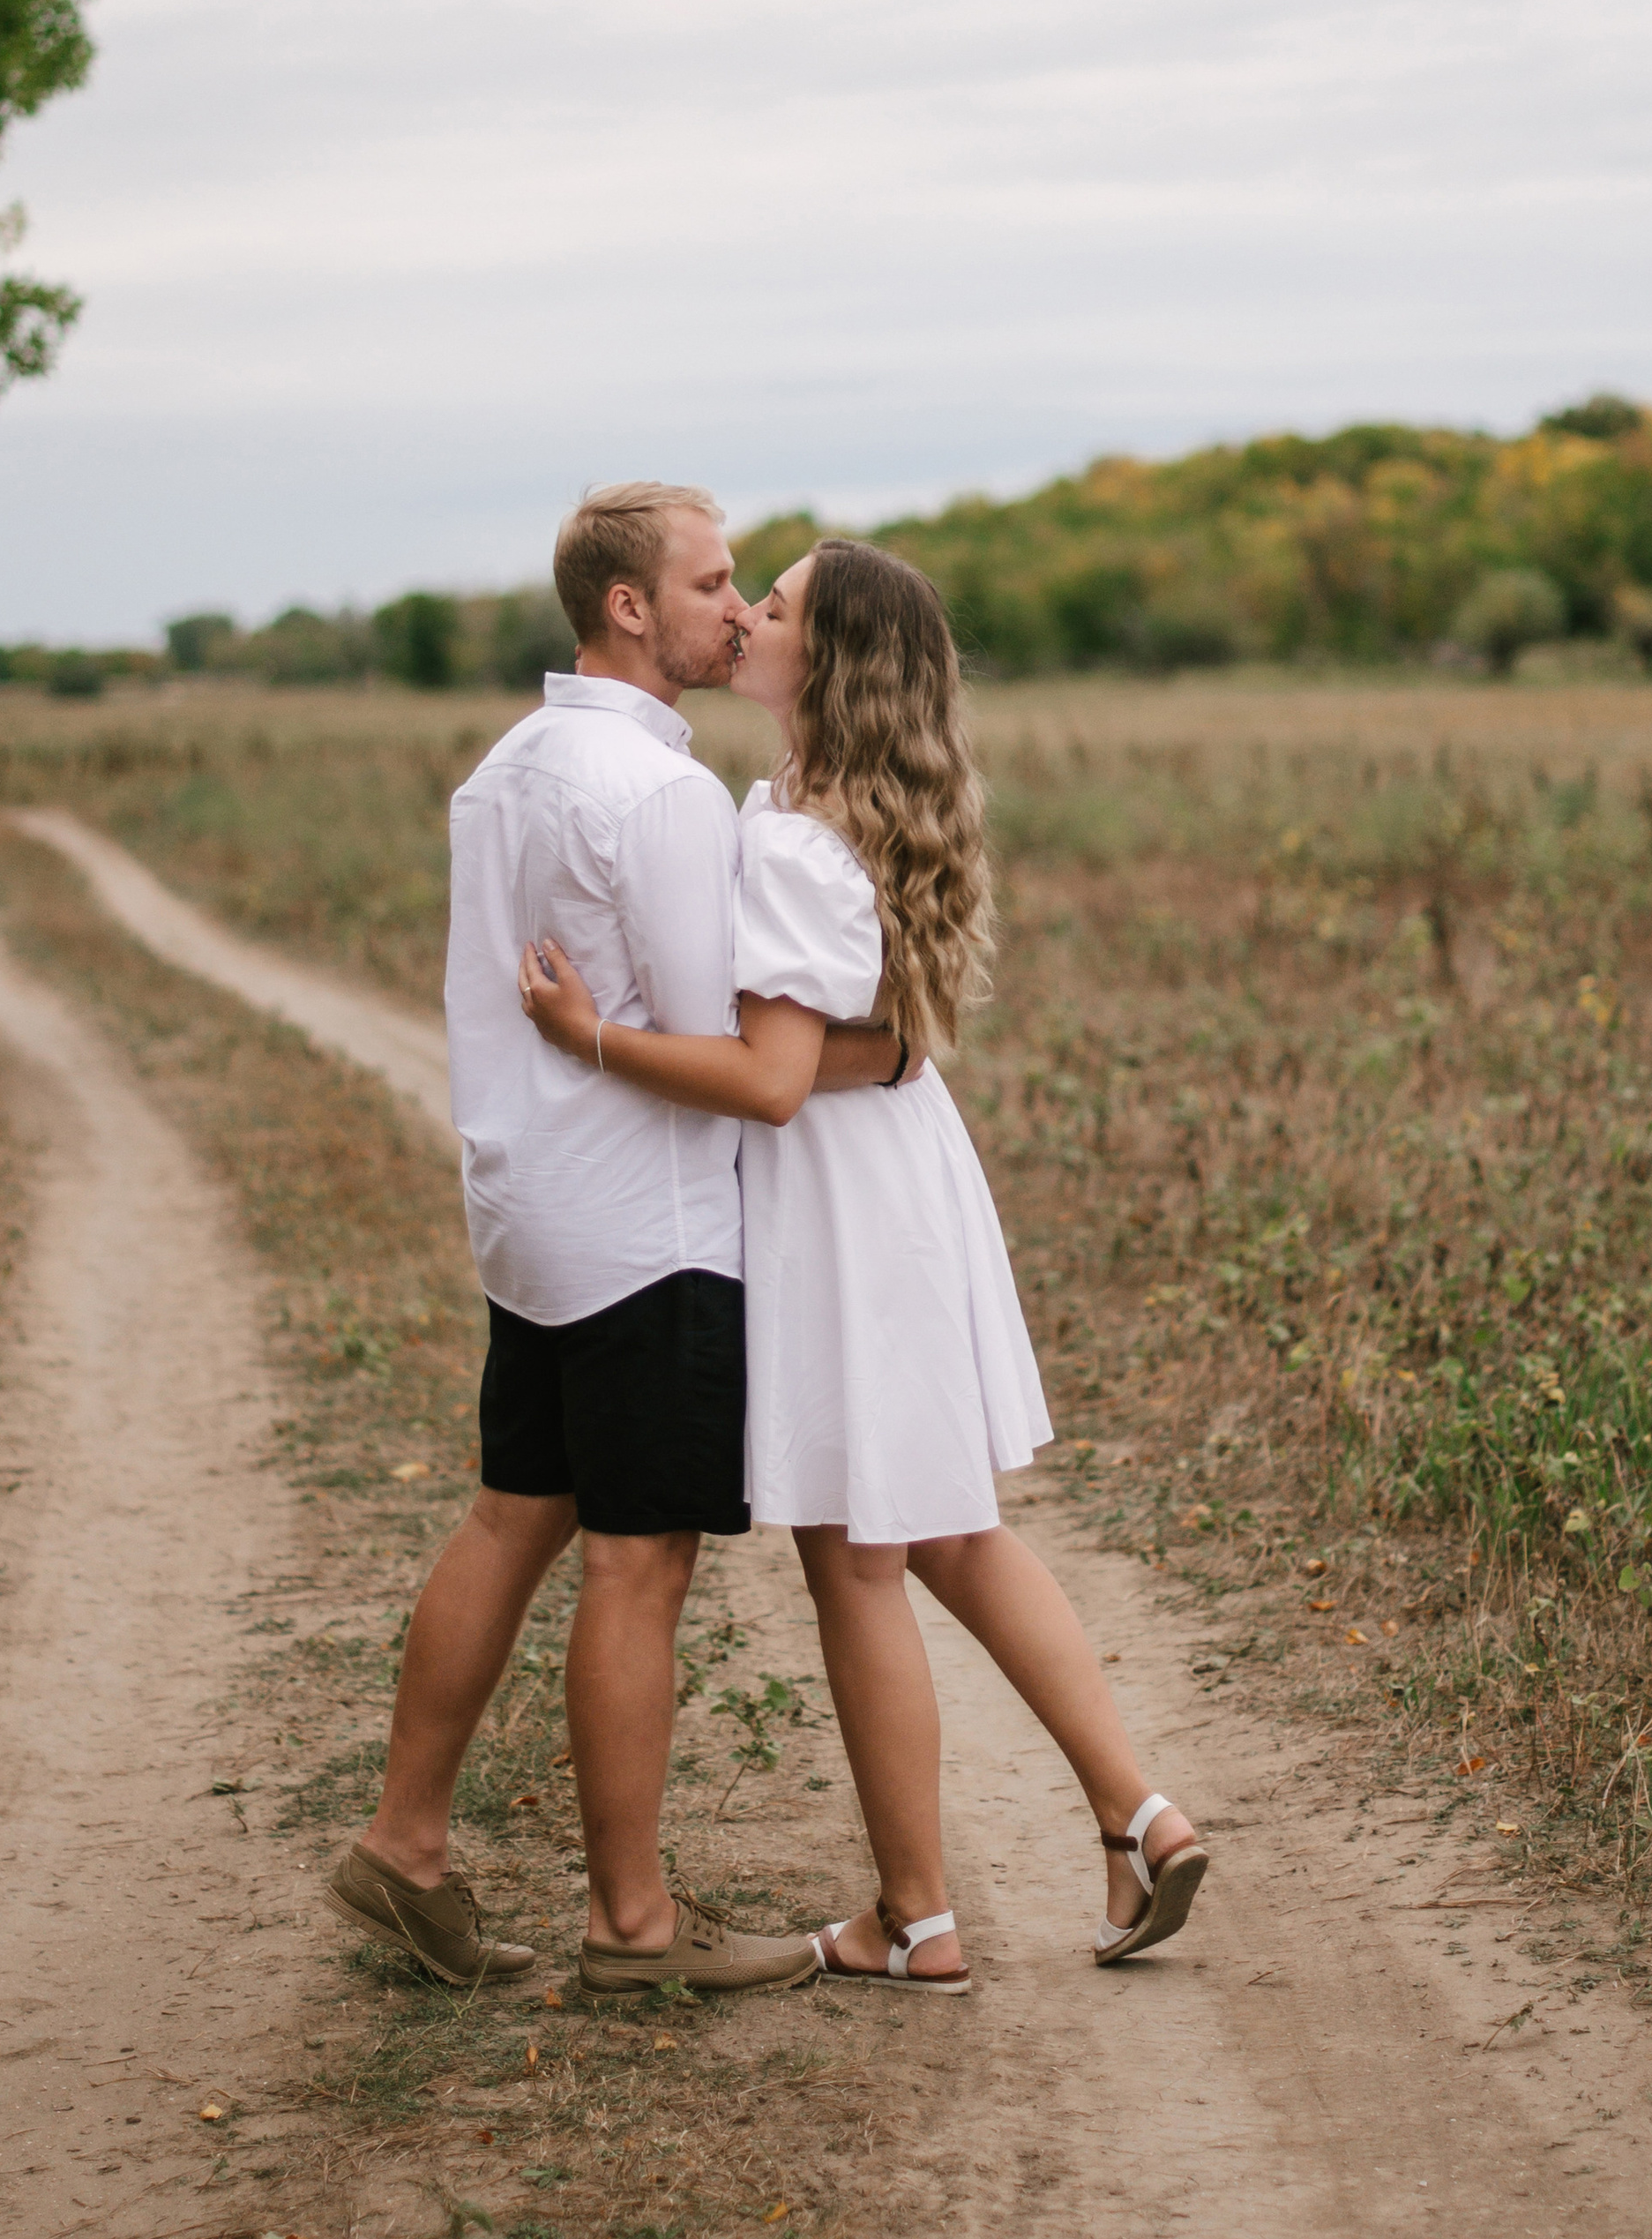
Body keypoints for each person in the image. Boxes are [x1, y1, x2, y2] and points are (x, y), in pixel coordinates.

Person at [520, 537, 1208, 1988]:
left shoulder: (788, 834)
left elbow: (772, 1080)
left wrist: (592, 1039)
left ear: (820, 660)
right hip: (899, 1169)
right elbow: (883, 1038)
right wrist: (870, 1054)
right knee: (951, 1526)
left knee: (857, 1556)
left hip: (836, 1199)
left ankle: (919, 1917)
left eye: (771, 606)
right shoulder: (857, 805)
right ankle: (1136, 1816)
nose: (744, 615)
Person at [328, 483, 908, 1996]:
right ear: (629, 606)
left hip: (532, 1208)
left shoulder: (504, 768)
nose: (737, 608)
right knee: (638, 1563)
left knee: (514, 1517)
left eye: (740, 584)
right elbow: (731, 1049)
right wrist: (883, 1053)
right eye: (712, 584)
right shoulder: (662, 794)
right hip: (649, 1225)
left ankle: (404, 1848)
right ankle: (635, 1927)